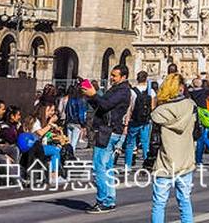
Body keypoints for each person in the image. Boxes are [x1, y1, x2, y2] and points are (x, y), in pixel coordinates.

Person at [150, 73, 197, 223]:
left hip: (165, 162)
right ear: (181, 88)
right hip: (185, 161)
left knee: (159, 203)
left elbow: (154, 141)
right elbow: (197, 133)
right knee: (184, 200)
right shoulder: (191, 106)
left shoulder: (159, 112)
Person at [85, 66, 132, 212]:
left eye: (115, 76)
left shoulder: (123, 91)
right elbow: (102, 106)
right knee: (107, 166)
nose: (111, 78)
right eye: (111, 75)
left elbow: (105, 104)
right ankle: (109, 199)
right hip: (108, 129)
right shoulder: (115, 89)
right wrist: (90, 96)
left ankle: (103, 200)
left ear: (123, 77)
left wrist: (94, 95)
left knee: (99, 165)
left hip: (109, 131)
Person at [124, 71, 155, 169]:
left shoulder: (132, 91)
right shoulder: (151, 91)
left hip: (134, 120)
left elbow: (130, 107)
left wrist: (127, 121)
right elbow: (153, 107)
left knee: (130, 143)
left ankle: (128, 165)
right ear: (146, 79)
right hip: (146, 121)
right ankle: (146, 163)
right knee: (145, 142)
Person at [64, 85, 88, 151]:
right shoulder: (80, 101)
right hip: (76, 123)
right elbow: (81, 114)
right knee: (73, 143)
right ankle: (71, 156)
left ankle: (66, 154)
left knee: (69, 141)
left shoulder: (70, 100)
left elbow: (66, 111)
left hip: (69, 121)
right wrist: (83, 123)